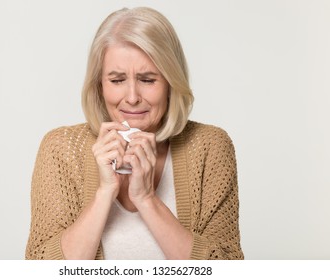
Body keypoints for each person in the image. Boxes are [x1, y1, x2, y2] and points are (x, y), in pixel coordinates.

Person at [25, 7, 244, 260]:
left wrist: (147, 199)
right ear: (99, 86)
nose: (131, 98)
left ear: (171, 83)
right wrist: (105, 192)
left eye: (148, 80)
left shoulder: (209, 147)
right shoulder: (61, 149)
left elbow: (228, 267)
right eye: (117, 80)